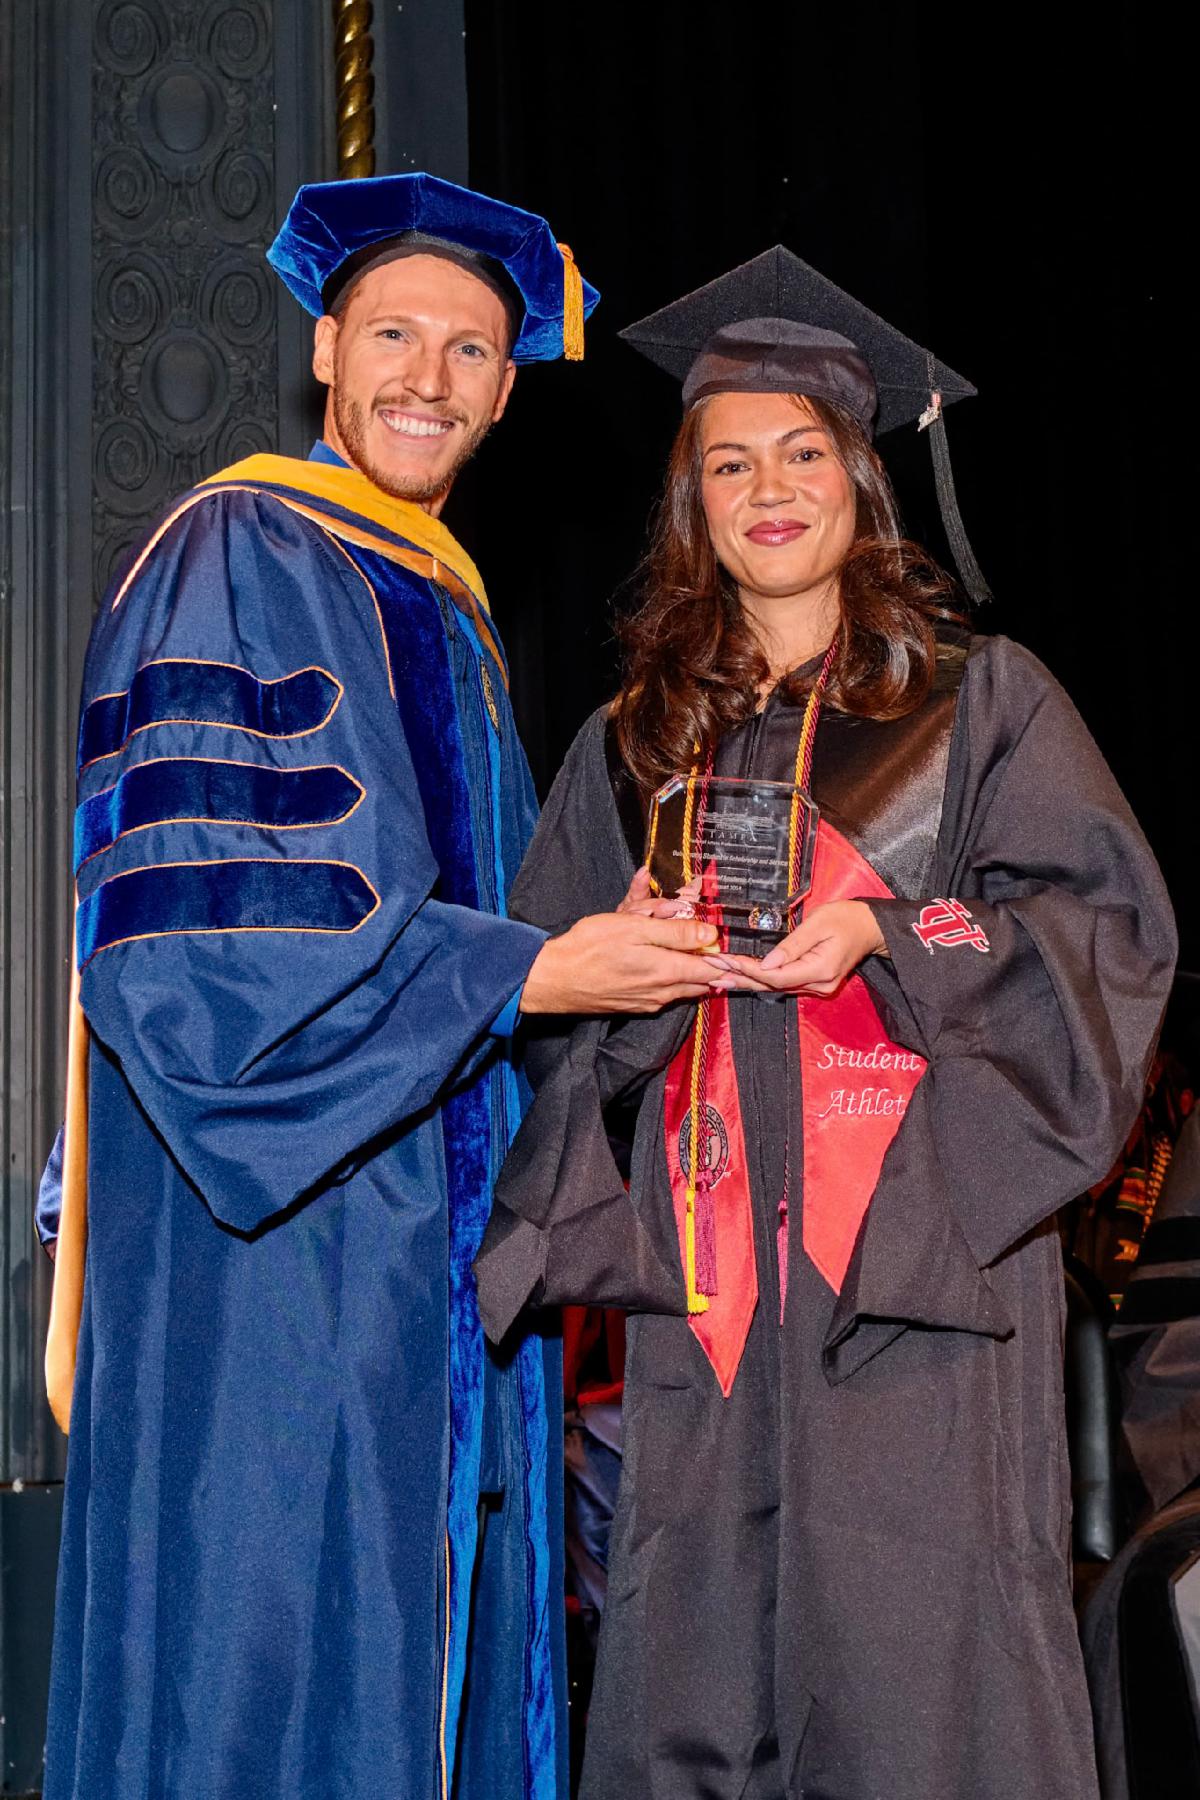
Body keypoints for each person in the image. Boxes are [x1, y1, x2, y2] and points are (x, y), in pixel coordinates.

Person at [39, 173, 726, 1800]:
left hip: (423, 1232)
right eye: (397, 336)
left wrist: (599, 941)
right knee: (280, 1658)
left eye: (473, 350)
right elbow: (214, 947)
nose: (431, 377)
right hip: (286, 1252)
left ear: (505, 386)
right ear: (328, 351)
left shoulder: (442, 603)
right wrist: (534, 967)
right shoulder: (241, 548)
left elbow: (453, 912)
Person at [475, 246, 1178, 1799]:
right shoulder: (629, 743)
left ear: (864, 480)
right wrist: (624, 972)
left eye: (803, 453)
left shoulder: (984, 706)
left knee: (928, 1682)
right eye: (729, 462)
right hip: (708, 1307)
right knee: (697, 1666)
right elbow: (539, 1005)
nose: (768, 488)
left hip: (913, 1287)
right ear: (693, 504)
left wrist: (891, 931)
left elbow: (1105, 937)